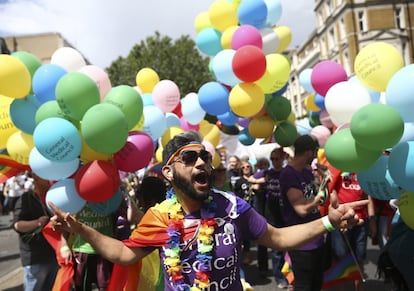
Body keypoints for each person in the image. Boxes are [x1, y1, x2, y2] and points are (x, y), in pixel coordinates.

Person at [49, 130, 367, 291]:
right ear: (169, 173)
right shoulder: (159, 217)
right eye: (189, 158)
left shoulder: (232, 207)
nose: (201, 162)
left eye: (204, 156)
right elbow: (123, 254)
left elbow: (279, 238)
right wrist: (80, 230)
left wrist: (329, 220)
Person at [279, 134, 331, 291]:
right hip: (301, 242)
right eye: (315, 151)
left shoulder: (307, 172)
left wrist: (323, 178)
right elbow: (301, 209)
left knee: (316, 283)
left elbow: (321, 198)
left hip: (316, 238)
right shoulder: (289, 174)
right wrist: (316, 199)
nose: (316, 155)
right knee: (304, 286)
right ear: (308, 152)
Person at [13, 173, 68, 291]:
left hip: (54, 254)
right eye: (45, 175)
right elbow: (18, 225)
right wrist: (37, 222)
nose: (50, 178)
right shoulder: (26, 198)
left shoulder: (55, 196)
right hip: (36, 257)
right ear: (36, 178)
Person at [253, 148, 290, 289]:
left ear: (282, 159)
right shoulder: (267, 173)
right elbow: (250, 178)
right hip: (270, 215)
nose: (274, 161)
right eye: (272, 159)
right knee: (276, 249)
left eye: (277, 159)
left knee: (287, 248)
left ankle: (286, 274)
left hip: (286, 215)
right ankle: (280, 277)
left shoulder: (287, 173)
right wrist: (261, 181)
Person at [329, 171, 373, 291]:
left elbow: (367, 196)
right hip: (342, 219)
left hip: (361, 219)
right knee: (339, 257)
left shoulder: (363, 170)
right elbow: (332, 193)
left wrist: (372, 219)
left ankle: (359, 288)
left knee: (359, 256)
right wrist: (340, 219)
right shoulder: (337, 170)